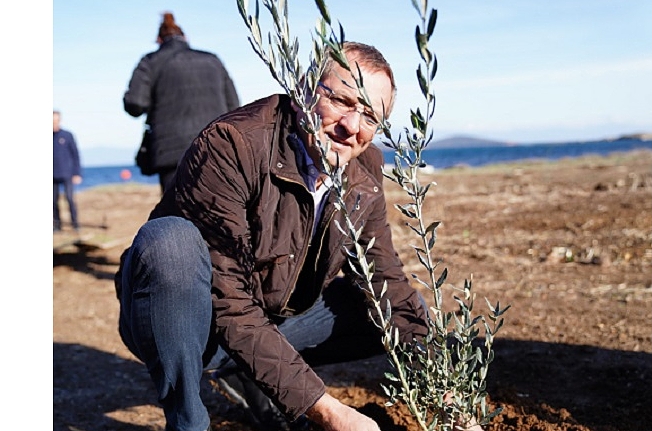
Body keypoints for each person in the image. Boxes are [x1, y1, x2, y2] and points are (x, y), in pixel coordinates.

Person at [115, 42, 431, 431]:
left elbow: (384, 274)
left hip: (269, 314)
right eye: (341, 101)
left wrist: (443, 387)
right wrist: (324, 408)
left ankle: (254, 376)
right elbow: (227, 298)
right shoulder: (233, 142)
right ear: (303, 88)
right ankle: (186, 418)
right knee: (170, 244)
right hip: (192, 322)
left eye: (370, 116)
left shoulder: (364, 166)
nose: (352, 126)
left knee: (394, 305)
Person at [123, 11, 241, 193]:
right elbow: (235, 108)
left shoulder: (150, 62)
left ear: (159, 40)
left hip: (171, 154)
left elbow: (135, 103)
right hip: (216, 149)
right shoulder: (213, 60)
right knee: (218, 214)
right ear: (185, 37)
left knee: (177, 214)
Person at [53, 110, 82, 232]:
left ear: (59, 120)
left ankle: (75, 225)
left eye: (55, 120)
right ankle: (57, 226)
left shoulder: (67, 135)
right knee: (53, 202)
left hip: (67, 174)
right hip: (51, 175)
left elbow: (75, 155)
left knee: (70, 199)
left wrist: (77, 173)